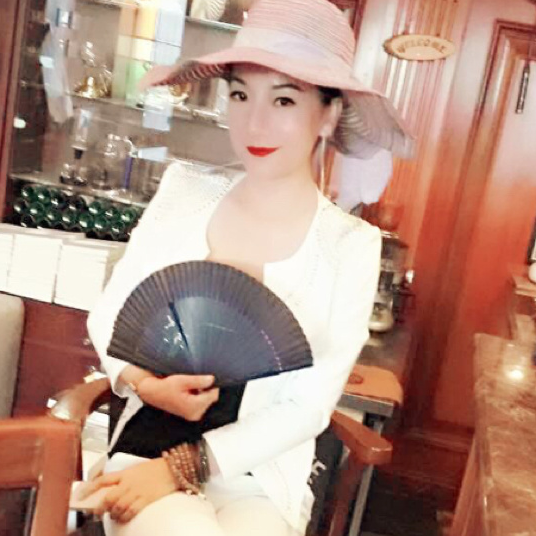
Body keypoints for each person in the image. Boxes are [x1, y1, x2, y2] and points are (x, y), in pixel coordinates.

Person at [82, 0, 413, 535]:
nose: (254, 121)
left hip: (259, 474)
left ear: (329, 114)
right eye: (240, 94)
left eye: (284, 99)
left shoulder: (350, 244)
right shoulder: (184, 193)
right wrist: (143, 383)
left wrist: (184, 467)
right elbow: (109, 316)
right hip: (147, 447)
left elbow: (309, 407)